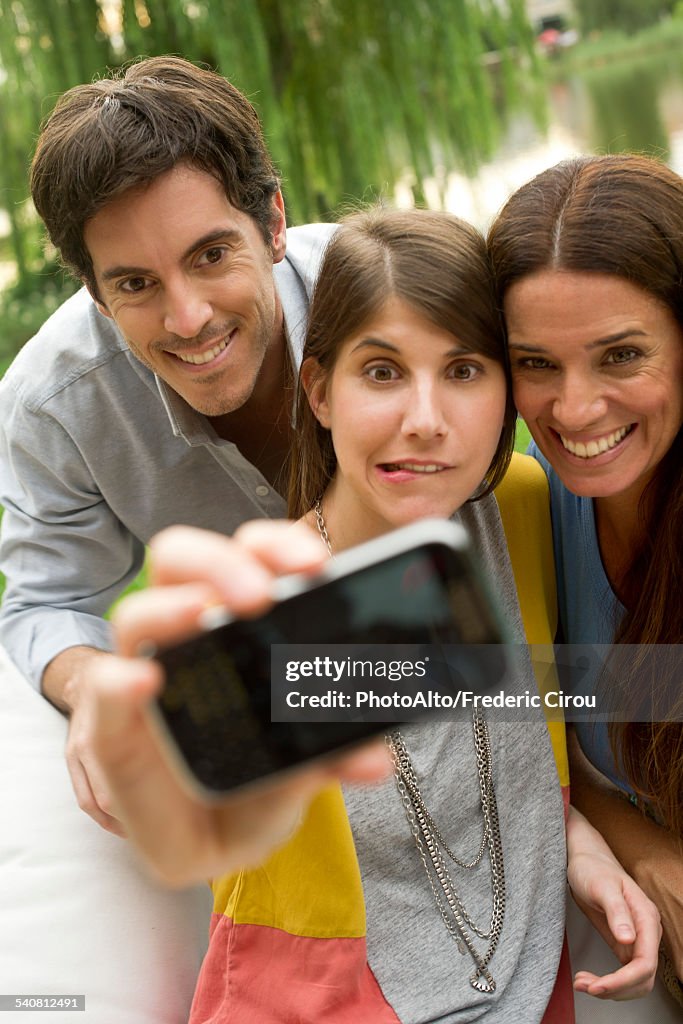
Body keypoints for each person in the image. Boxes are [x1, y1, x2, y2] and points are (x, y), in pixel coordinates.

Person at [86, 208, 661, 1022]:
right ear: (319, 391)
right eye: (382, 372)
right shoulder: (264, 606)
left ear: (506, 393)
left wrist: (575, 843)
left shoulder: (526, 508)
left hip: (531, 995)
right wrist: (159, 749)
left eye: (463, 371)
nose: (423, 419)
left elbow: (535, 719)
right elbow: (190, 780)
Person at [0, 56, 334, 831]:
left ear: (274, 222)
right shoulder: (52, 405)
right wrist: (93, 688)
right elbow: (46, 603)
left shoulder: (387, 299)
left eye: (210, 255)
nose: (187, 319)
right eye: (135, 285)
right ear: (93, 291)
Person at [488, 153, 683, 1008]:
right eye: (535, 363)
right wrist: (634, 843)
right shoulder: (526, 503)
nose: (573, 410)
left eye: (621, 355)